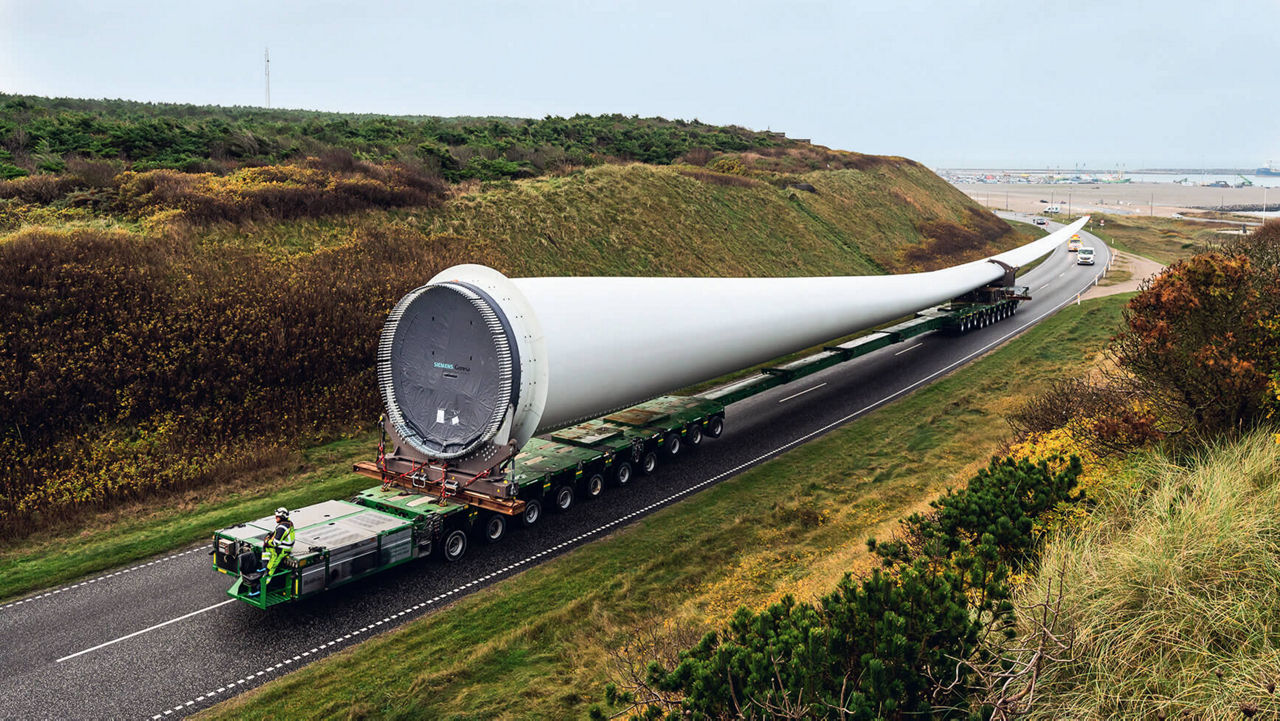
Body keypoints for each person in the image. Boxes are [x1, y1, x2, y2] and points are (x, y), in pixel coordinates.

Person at [262, 507, 295, 585]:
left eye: (277, 517)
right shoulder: (288, 523)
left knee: (270, 569)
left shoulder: (282, 527)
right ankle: (264, 567)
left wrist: (267, 541)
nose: (275, 518)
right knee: (265, 549)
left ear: (282, 517)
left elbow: (275, 543)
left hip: (281, 550)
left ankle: (262, 586)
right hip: (284, 547)